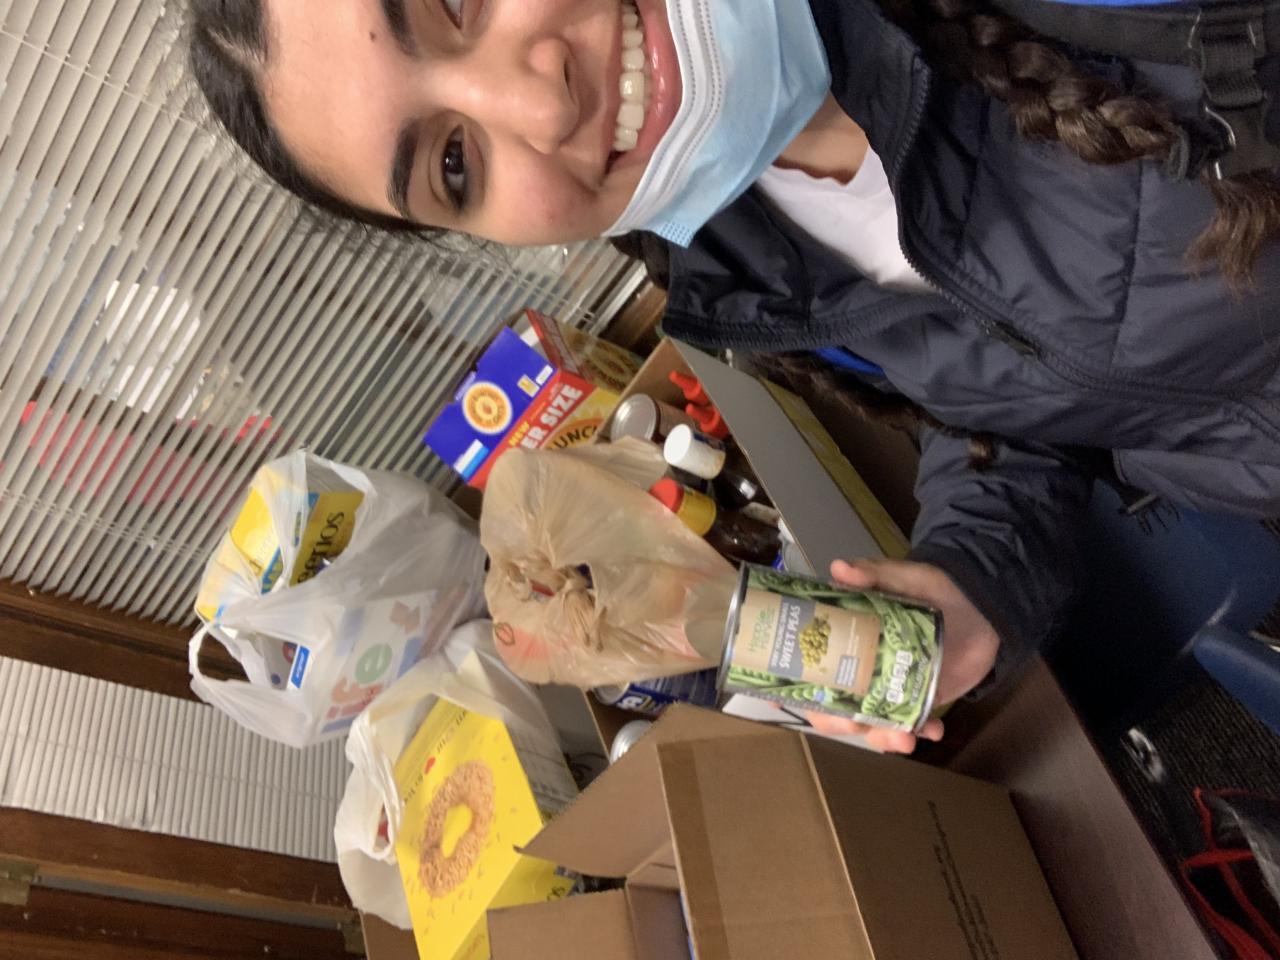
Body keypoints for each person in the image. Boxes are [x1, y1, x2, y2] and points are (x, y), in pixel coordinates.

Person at [189, 0, 1280, 752]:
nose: (539, 107)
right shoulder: (743, 256)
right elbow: (1010, 396)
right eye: (452, 162)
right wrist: (972, 583)